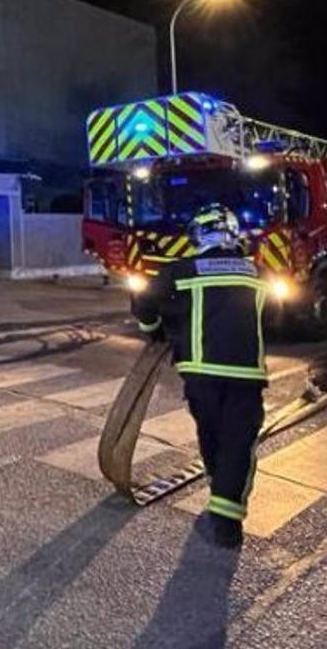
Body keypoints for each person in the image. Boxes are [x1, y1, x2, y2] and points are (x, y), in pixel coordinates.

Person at [131, 203, 267, 549]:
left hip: (200, 375)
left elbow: (144, 300)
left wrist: (156, 329)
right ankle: (227, 522)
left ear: (199, 236)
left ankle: (217, 492)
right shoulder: (255, 272)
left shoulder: (183, 270)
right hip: (246, 375)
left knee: (212, 436)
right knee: (239, 444)